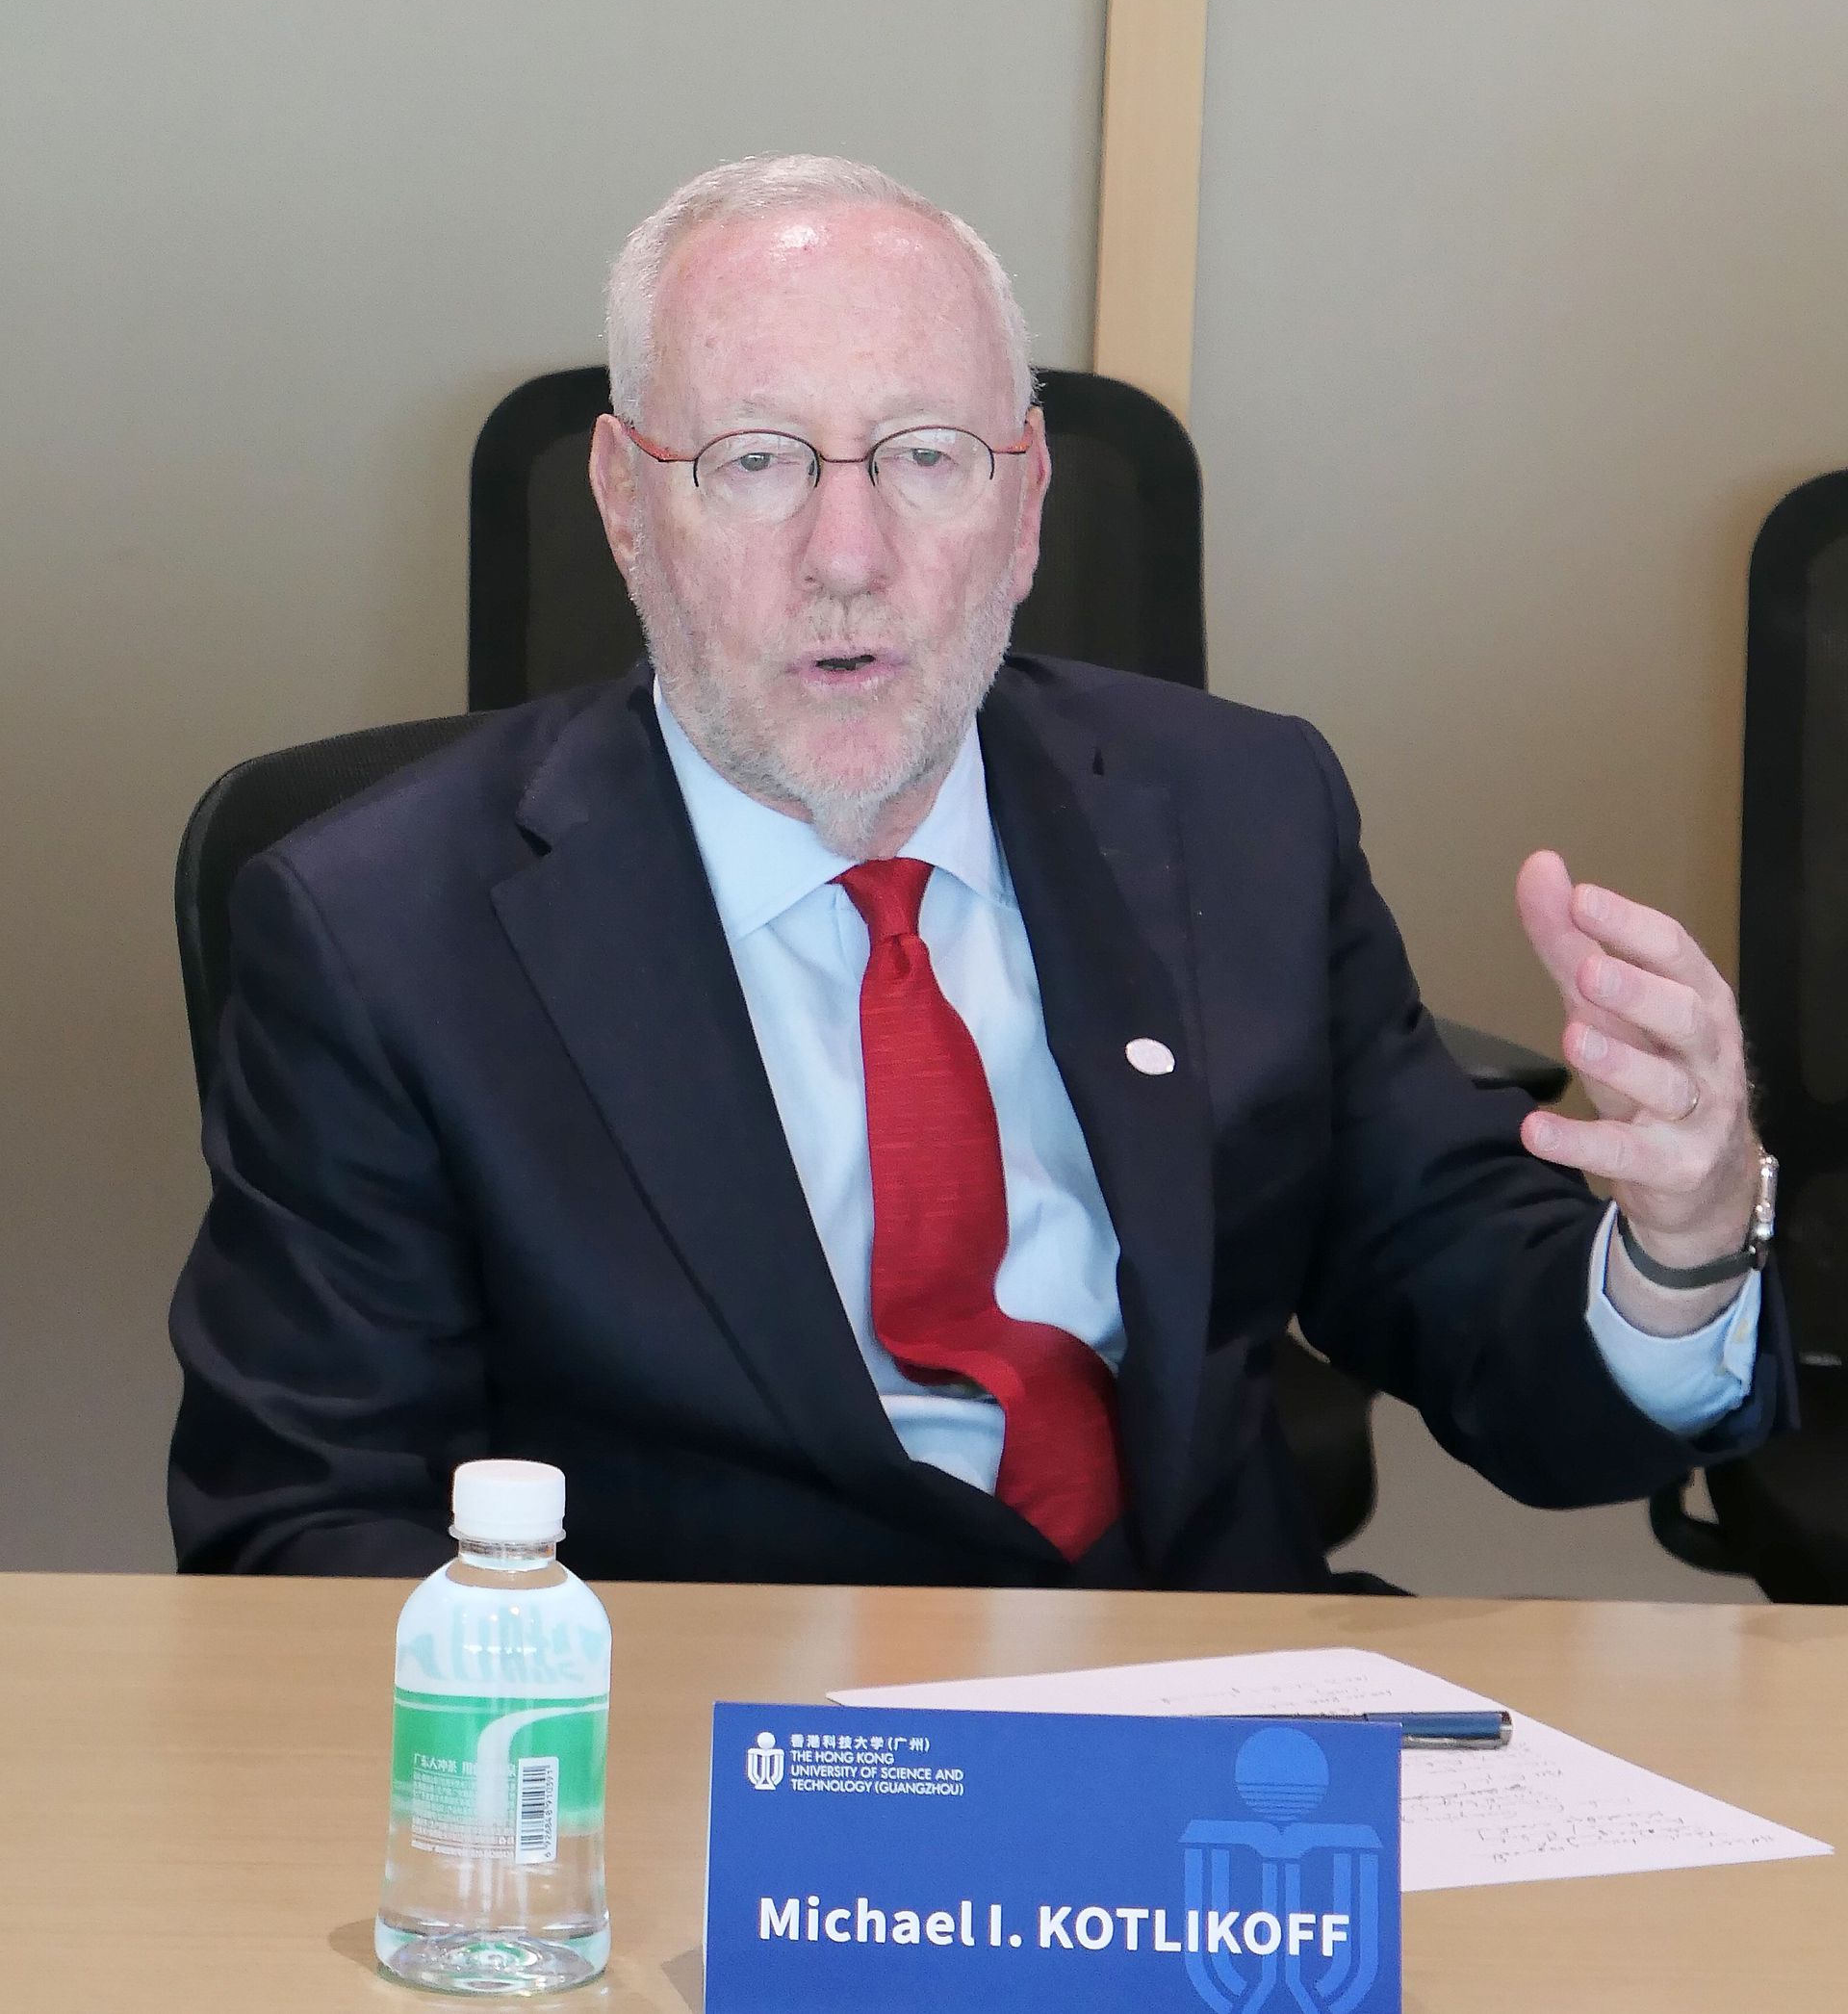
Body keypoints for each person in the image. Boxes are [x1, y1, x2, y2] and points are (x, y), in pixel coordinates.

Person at [167, 155, 1791, 1588]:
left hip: (1190, 1726)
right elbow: (308, 1524)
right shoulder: (381, 930)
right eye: (754, 460)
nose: (849, 555)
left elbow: (1479, 1319)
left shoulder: (1243, 809)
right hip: (699, 1779)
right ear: (622, 505)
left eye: (928, 458)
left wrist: (1682, 1242)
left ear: (1024, 508)